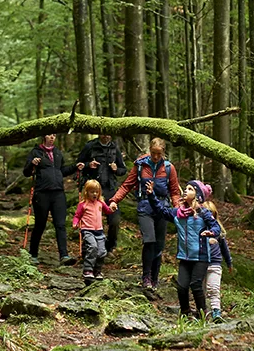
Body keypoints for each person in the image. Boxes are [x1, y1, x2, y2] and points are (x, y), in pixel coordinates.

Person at [109, 138, 180, 288]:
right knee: (149, 240)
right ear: (149, 150)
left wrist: (178, 210)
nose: (155, 157)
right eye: (153, 153)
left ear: (163, 153)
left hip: (162, 209)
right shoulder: (141, 165)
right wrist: (115, 200)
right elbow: (127, 185)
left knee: (159, 245)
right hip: (145, 207)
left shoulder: (169, 168)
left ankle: (154, 279)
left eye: (158, 154)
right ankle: (146, 277)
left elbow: (174, 191)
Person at [147, 179, 220, 318]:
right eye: (186, 188)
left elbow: (215, 226)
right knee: (181, 286)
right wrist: (151, 195)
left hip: (201, 256)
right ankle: (186, 313)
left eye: (190, 189)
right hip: (185, 256)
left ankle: (202, 314)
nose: (186, 191)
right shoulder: (177, 213)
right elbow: (160, 210)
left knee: (196, 285)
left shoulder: (203, 212)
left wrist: (212, 232)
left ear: (198, 195)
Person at [23, 133, 76, 265]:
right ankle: (33, 254)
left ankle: (64, 255)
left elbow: (61, 171)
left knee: (60, 225)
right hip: (42, 193)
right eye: (49, 135)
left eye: (54, 135)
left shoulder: (58, 152)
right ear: (43, 137)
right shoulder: (36, 152)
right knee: (40, 225)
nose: (52, 137)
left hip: (58, 193)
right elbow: (26, 172)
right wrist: (32, 163)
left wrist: (76, 167)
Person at [75, 133, 127, 253]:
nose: (106, 136)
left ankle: (109, 247)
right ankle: (87, 248)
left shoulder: (115, 148)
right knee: (89, 220)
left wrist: (116, 169)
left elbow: (123, 170)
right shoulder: (90, 147)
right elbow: (79, 165)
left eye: (109, 134)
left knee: (114, 220)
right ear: (99, 134)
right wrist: (88, 165)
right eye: (104, 134)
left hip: (110, 189)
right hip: (92, 189)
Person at [72, 180, 116, 285]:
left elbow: (107, 211)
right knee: (92, 247)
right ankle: (88, 269)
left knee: (102, 251)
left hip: (99, 231)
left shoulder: (100, 203)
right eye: (92, 192)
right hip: (87, 230)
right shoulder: (83, 204)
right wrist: (75, 223)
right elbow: (77, 215)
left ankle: (97, 270)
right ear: (87, 192)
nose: (94, 194)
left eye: (96, 192)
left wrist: (112, 208)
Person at [201, 200, 232, 322]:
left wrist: (229, 263)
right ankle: (203, 311)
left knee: (213, 288)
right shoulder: (198, 230)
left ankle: (216, 311)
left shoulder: (218, 233)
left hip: (215, 264)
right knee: (200, 290)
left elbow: (225, 250)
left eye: (211, 213)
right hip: (200, 263)